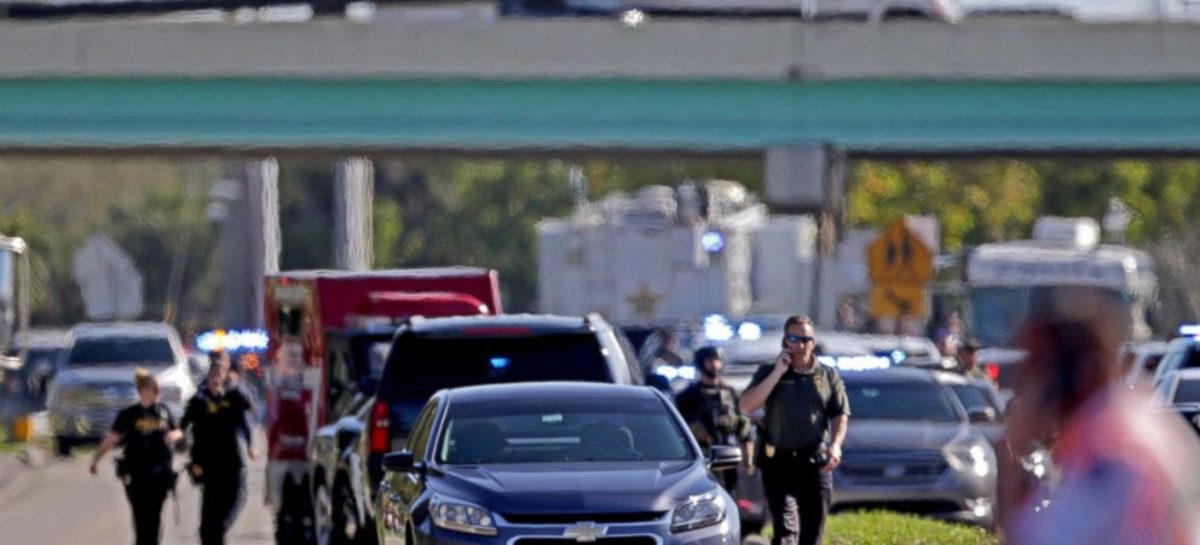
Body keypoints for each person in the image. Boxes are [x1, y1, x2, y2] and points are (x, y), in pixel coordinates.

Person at [1002, 317, 1200, 545]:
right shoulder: (1135, 419)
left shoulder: (1107, 447)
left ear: (1050, 385)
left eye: (1026, 377)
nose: (1018, 389)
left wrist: (1013, 451)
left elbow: (1040, 537)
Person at [740, 316, 849, 545]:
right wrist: (778, 373)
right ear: (785, 341)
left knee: (812, 531)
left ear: (813, 341)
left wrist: (836, 446)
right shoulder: (769, 371)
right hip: (778, 462)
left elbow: (839, 413)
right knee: (786, 530)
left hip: (814, 461)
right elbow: (747, 405)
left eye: (806, 340)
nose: (800, 346)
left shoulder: (827, 375)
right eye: (794, 339)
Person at [89, 368, 183, 545]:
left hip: (160, 474)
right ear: (142, 391)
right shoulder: (129, 414)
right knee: (140, 518)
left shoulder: (163, 412)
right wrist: (95, 459)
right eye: (152, 390)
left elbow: (178, 431)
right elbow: (111, 438)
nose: (156, 394)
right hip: (137, 475)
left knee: (154, 518)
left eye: (157, 391)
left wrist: (174, 436)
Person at [180, 350, 257, 545]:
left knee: (223, 516)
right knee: (207, 527)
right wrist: (177, 442)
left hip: (232, 464)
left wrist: (251, 445)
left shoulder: (233, 397)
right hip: (208, 467)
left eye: (219, 373)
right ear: (207, 375)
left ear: (225, 375)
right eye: (212, 374)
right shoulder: (198, 400)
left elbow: (246, 422)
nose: (216, 378)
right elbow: (183, 426)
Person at [674, 346, 754, 493]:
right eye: (710, 360)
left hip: (729, 457)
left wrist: (748, 459)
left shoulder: (729, 393)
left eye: (718, 360)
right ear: (701, 363)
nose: (715, 365)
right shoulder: (688, 396)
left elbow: (743, 426)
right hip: (702, 459)